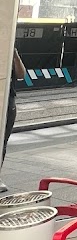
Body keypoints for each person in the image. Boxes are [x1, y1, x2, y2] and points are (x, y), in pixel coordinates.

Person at [0, 48, 25, 194]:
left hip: (7, 102)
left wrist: (15, 54)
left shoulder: (9, 50)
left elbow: (21, 75)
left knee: (2, 142)